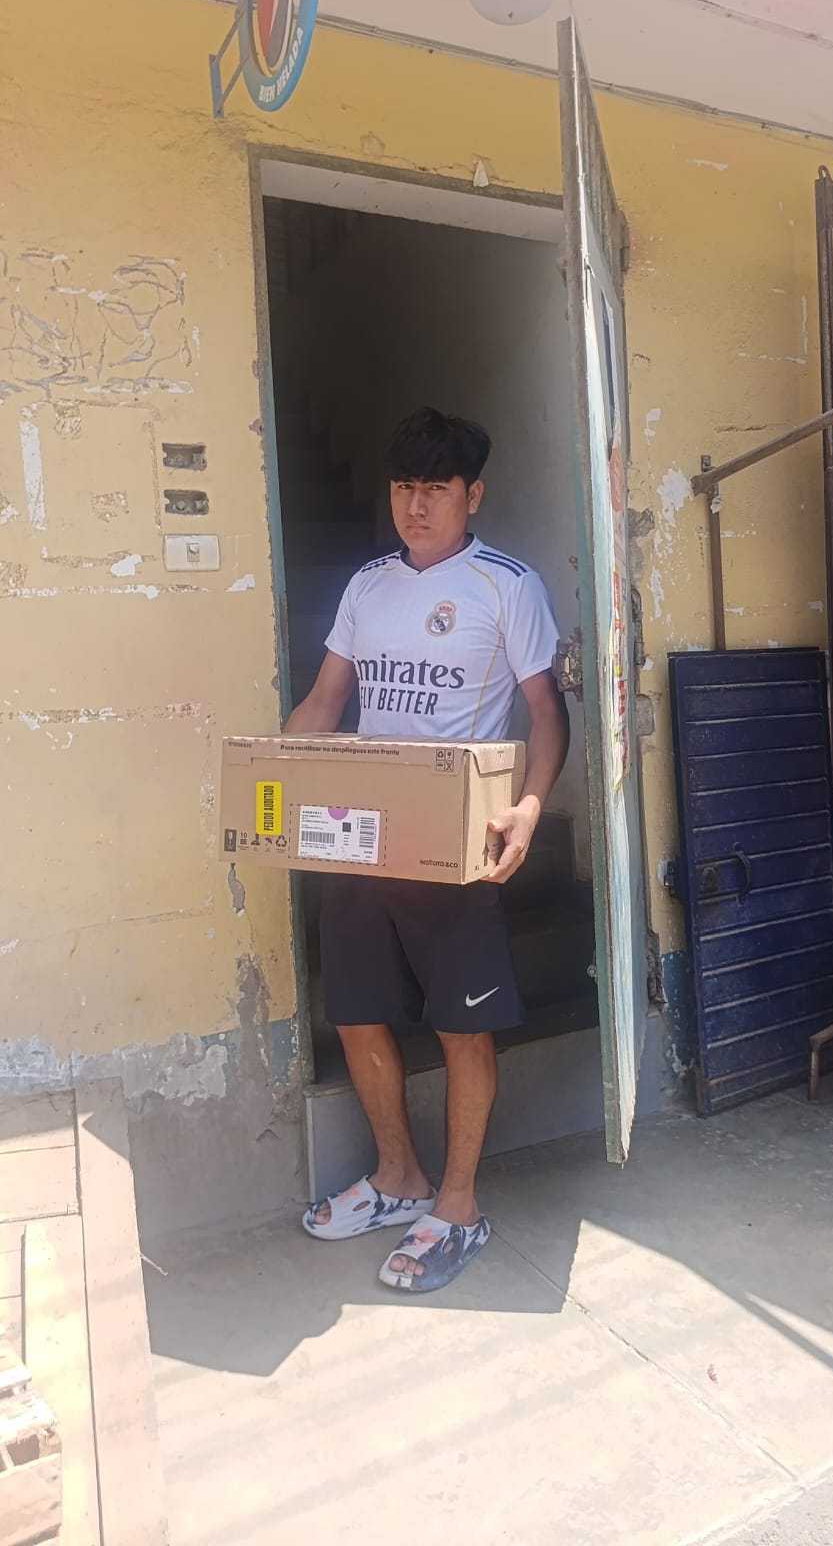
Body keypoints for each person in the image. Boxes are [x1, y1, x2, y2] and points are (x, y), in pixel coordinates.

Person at [286, 407, 569, 1293]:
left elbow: (547, 713)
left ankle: (458, 1204)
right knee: (357, 1011)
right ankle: (398, 1178)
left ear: (471, 495)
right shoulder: (367, 587)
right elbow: (326, 701)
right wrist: (271, 781)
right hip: (366, 835)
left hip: (455, 845)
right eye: (404, 488)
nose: (416, 506)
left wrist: (528, 809)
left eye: (435, 490)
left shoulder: (506, 586)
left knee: (462, 1027)